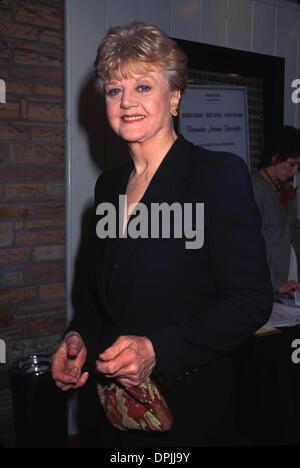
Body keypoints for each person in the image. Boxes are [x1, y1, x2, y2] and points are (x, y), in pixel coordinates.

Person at [52, 21, 273, 447]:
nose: (126, 101)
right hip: (114, 408)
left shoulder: (217, 175)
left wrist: (158, 350)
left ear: (174, 97)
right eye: (115, 90)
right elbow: (101, 297)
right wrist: (78, 336)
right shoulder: (108, 187)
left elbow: (251, 300)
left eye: (143, 87)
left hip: (187, 409)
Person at [251, 127, 300, 299]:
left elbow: (293, 232)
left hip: (290, 280)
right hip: (270, 285)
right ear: (275, 158)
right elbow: (252, 243)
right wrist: (275, 283)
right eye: (292, 165)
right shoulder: (255, 188)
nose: (295, 173)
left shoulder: (284, 189)